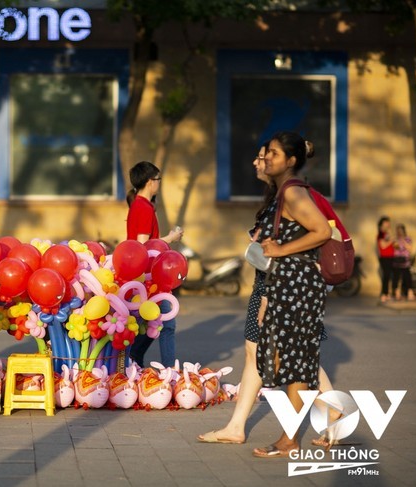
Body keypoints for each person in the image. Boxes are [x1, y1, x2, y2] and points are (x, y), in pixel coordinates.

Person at [198, 141, 336, 448]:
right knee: (260, 356)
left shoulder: (290, 193)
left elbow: (288, 249)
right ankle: (237, 426)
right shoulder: (277, 195)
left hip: (277, 286)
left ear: (287, 161)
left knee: (290, 356)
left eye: (265, 156)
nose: (258, 163)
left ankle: (329, 418)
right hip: (270, 284)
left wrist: (267, 297)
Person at [249, 131, 331, 458]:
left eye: (274, 154)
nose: (267, 158)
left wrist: (282, 248)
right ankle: (296, 434)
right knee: (291, 362)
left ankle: (290, 439)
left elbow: (322, 231)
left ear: (291, 161)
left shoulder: (294, 192)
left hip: (299, 286)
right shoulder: (282, 191)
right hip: (286, 285)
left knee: (295, 363)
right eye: (266, 152)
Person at [125, 161, 183, 367]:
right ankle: (169, 371)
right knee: (165, 324)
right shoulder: (142, 207)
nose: (159, 183)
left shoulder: (141, 205)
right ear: (150, 182)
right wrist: (172, 237)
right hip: (150, 276)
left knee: (151, 323)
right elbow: (144, 245)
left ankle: (133, 361)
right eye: (158, 179)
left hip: (146, 276)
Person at [391, 224, 415, 301]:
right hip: (397, 261)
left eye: (400, 231)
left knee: (407, 278)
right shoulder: (395, 239)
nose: (399, 233)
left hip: (405, 262)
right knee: (396, 278)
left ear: (404, 231)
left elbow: (410, 248)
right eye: (398, 231)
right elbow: (395, 247)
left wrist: (403, 241)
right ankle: (396, 294)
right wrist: (398, 241)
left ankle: (409, 293)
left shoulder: (408, 239)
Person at [377, 216, 394, 303]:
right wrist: (391, 240)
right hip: (385, 258)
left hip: (390, 257)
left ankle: (387, 294)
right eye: (386, 222)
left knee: (388, 276)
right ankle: (384, 294)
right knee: (386, 276)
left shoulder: (386, 233)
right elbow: (383, 246)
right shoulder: (381, 234)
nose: (388, 224)